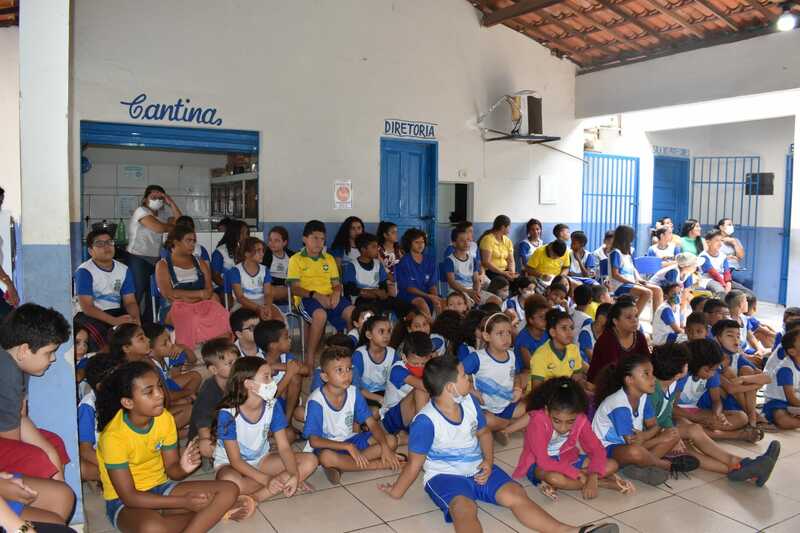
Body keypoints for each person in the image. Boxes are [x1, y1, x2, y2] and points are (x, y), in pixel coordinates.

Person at [377, 356, 618, 533]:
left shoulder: (469, 402)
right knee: (464, 508)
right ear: (450, 388)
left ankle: (573, 531)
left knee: (517, 494)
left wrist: (489, 462)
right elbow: (414, 465)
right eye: (464, 376)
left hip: (477, 468)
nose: (469, 379)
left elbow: (484, 433)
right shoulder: (425, 421)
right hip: (444, 476)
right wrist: (396, 491)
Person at [95, 361, 243, 532]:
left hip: (161, 489)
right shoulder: (113, 437)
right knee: (153, 528)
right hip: (125, 503)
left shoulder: (164, 418)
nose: (160, 394)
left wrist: (183, 467)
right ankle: (209, 515)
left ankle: (199, 520)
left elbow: (173, 471)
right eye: (149, 392)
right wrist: (184, 502)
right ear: (128, 402)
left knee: (229, 490)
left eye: (159, 386)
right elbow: (129, 496)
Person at [649, 344, 779, 485]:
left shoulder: (671, 385)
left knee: (689, 444)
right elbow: (652, 423)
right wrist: (670, 435)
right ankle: (742, 465)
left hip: (664, 430)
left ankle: (743, 469)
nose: (688, 364)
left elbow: (665, 415)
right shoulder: (653, 391)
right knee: (690, 439)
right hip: (651, 437)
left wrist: (672, 431)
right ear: (678, 371)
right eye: (686, 363)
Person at [504, 377, 631, 501]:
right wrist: (576, 473)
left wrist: (592, 477)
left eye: (570, 422)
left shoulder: (581, 419)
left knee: (612, 464)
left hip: (568, 458)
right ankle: (604, 483)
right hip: (539, 464)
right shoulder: (538, 421)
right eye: (557, 421)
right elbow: (543, 461)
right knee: (555, 479)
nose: (563, 428)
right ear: (547, 411)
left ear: (578, 414)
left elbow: (596, 449)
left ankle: (587, 481)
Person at [214, 357, 317, 505]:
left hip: (262, 460)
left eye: (271, 377)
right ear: (249, 384)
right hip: (231, 466)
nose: (272, 382)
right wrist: (267, 479)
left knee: (310, 461)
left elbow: (284, 447)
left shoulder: (272, 405)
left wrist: (294, 474)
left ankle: (257, 497)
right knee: (231, 483)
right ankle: (279, 482)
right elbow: (235, 460)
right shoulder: (228, 414)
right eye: (266, 377)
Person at [592, 353, 699, 486]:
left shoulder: (644, 396)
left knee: (674, 433)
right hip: (606, 449)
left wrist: (646, 436)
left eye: (652, 373)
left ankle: (638, 466)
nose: (653, 378)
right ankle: (666, 465)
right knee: (635, 452)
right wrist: (657, 438)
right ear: (630, 380)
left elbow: (655, 425)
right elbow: (633, 445)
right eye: (646, 374)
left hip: (632, 445)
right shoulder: (619, 406)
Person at [302, 346, 401, 484]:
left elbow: (372, 423)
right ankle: (378, 464)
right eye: (339, 370)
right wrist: (348, 447)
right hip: (328, 446)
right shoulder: (317, 401)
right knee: (326, 457)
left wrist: (384, 447)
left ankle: (343, 466)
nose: (346, 374)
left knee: (391, 441)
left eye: (349, 369)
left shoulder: (354, 392)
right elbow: (314, 441)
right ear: (325, 377)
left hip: (350, 439)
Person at [0, 305, 72, 481]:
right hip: (6, 436)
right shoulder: (7, 372)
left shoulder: (19, 366)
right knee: (35, 458)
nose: (53, 358)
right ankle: (53, 495)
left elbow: (21, 416)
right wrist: (46, 452)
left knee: (54, 443)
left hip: (7, 433)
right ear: (24, 351)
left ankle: (56, 492)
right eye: (49, 352)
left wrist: (49, 450)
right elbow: (12, 442)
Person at [287, 220, 354, 365]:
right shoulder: (296, 259)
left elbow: (336, 284)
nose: (319, 243)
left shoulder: (329, 259)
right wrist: (316, 295)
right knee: (320, 315)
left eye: (322, 239)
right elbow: (295, 288)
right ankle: (310, 359)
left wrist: (336, 293)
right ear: (305, 239)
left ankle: (350, 355)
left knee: (352, 312)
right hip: (307, 298)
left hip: (329, 297)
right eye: (315, 238)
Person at [672, 339, 758, 442]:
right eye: (707, 370)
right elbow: (672, 408)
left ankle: (701, 430)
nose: (711, 374)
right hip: (678, 414)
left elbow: (716, 400)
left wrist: (717, 415)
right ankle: (736, 435)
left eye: (714, 370)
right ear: (695, 364)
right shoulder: (683, 376)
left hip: (695, 412)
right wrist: (696, 418)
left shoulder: (712, 374)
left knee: (742, 417)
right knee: (685, 425)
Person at [462, 313, 526, 440]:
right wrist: (470, 389)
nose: (506, 338)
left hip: (507, 404)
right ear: (487, 336)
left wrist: (517, 388)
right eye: (500, 333)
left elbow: (516, 375)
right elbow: (456, 374)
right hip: (485, 408)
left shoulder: (512, 355)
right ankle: (507, 426)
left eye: (508, 332)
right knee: (485, 420)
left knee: (529, 408)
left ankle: (501, 428)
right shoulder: (477, 358)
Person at [74, 229, 140, 351]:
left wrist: (136, 320)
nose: (107, 247)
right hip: (88, 315)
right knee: (100, 336)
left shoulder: (124, 270)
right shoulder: (84, 271)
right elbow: (87, 307)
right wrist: (114, 321)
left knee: (137, 333)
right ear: (90, 251)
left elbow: (130, 302)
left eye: (110, 242)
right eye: (100, 244)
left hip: (115, 312)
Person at [126, 185, 182, 321]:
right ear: (145, 199)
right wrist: (171, 226)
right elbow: (158, 228)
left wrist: (171, 203)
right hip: (138, 257)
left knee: (154, 296)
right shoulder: (141, 211)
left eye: (160, 197)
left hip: (155, 260)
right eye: (153, 197)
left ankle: (149, 325)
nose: (157, 200)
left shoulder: (162, 214)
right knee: (136, 295)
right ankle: (128, 326)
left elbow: (181, 222)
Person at [342, 233, 413, 318]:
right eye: (373, 247)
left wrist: (379, 293)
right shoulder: (352, 266)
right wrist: (375, 292)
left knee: (408, 307)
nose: (377, 249)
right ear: (363, 250)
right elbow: (351, 290)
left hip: (379, 298)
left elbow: (383, 288)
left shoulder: (378, 264)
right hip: (360, 301)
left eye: (377, 246)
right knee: (374, 310)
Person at [189, 339, 240, 458]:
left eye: (238, 361)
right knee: (206, 446)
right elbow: (204, 429)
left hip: (230, 429)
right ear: (214, 370)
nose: (237, 366)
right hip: (211, 433)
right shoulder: (208, 392)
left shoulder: (240, 381)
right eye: (230, 363)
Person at [154, 225, 215, 323]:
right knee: (193, 318)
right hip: (173, 307)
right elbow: (169, 294)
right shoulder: (162, 265)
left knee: (215, 300)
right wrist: (200, 294)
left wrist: (183, 296)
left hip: (199, 305)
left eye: (194, 241)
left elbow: (209, 290)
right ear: (175, 242)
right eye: (188, 240)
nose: (192, 244)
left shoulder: (199, 261)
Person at [253, 320, 307, 426]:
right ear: (273, 345)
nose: (290, 340)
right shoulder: (257, 363)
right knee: (292, 376)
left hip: (287, 403)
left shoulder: (286, 356)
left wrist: (275, 366)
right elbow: (270, 397)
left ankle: (287, 422)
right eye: (286, 337)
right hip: (267, 406)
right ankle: (282, 426)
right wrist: (289, 373)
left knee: (296, 378)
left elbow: (307, 370)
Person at [78, 353, 122, 482]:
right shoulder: (88, 406)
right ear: (100, 386)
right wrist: (114, 466)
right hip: (100, 457)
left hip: (121, 451)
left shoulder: (123, 398)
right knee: (85, 470)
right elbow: (85, 451)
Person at [379, 332, 433, 436]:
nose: (420, 367)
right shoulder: (397, 369)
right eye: (415, 364)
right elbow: (425, 386)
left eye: (424, 363)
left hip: (411, 418)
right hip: (391, 419)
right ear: (404, 357)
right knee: (421, 390)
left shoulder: (429, 367)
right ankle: (420, 435)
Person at [586, 299, 650, 384]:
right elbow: (614, 373)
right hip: (603, 384)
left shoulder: (639, 336)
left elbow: (647, 361)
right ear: (615, 321)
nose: (635, 320)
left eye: (636, 316)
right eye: (629, 317)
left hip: (631, 381)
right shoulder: (607, 340)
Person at [142, 323, 202, 410]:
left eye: (169, 339)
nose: (171, 344)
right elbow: (165, 394)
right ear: (150, 352)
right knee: (182, 402)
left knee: (196, 376)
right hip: (161, 392)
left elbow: (193, 361)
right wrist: (188, 392)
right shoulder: (151, 367)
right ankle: (183, 400)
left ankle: (183, 400)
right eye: (165, 344)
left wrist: (184, 348)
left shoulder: (170, 353)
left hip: (168, 385)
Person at [607, 225, 663, 316]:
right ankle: (633, 318)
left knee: (657, 290)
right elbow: (615, 274)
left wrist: (639, 279)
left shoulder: (628, 254)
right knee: (647, 293)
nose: (633, 239)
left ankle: (656, 319)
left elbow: (633, 269)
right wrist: (633, 282)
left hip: (631, 283)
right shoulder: (615, 253)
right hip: (620, 286)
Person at [531, 310, 591, 393]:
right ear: (553, 332)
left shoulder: (573, 349)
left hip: (566, 393)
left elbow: (577, 380)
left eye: (571, 328)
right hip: (546, 396)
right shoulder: (540, 355)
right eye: (564, 328)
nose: (570, 332)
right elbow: (537, 390)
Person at [228, 237, 282, 321]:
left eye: (262, 250)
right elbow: (240, 297)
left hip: (263, 302)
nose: (262, 254)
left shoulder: (265, 270)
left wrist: (267, 306)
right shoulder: (236, 271)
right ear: (247, 254)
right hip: (243, 304)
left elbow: (268, 294)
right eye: (258, 251)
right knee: (248, 321)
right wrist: (258, 308)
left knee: (278, 320)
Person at [394, 228, 442, 319]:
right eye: (416, 242)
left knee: (441, 302)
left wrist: (435, 297)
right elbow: (409, 288)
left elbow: (432, 285)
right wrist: (429, 296)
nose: (420, 245)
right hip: (408, 295)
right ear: (409, 243)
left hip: (427, 294)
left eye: (422, 242)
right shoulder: (404, 262)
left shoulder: (430, 260)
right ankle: (430, 324)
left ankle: (441, 325)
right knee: (421, 302)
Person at [352, 315, 398, 410]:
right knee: (375, 412)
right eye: (381, 331)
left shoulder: (393, 354)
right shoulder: (359, 355)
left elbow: (396, 382)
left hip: (386, 394)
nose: (386, 336)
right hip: (364, 395)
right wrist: (379, 399)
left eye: (389, 331)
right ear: (369, 335)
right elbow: (355, 386)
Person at [444, 226, 494, 308]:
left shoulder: (472, 259)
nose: (466, 243)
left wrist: (476, 292)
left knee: (496, 300)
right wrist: (468, 292)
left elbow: (476, 279)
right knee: (467, 303)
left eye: (467, 240)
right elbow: (452, 282)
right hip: (457, 291)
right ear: (454, 243)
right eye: (462, 240)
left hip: (472, 291)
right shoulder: (450, 260)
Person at [763, 329, 800, 429]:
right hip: (777, 402)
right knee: (783, 420)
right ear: (792, 351)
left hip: (794, 403)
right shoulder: (786, 369)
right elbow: (791, 398)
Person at [699, 229, 753, 298]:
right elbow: (714, 274)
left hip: (723, 280)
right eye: (717, 241)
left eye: (721, 240)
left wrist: (728, 283)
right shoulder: (703, 256)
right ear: (708, 242)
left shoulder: (723, 255)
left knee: (749, 294)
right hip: (708, 280)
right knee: (721, 292)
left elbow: (727, 272)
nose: (720, 243)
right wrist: (724, 286)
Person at [211, 219, 248, 296]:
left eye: (247, 233)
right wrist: (232, 287)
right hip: (224, 288)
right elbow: (216, 277)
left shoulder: (247, 251)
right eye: (242, 233)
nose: (246, 236)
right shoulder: (220, 252)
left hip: (243, 287)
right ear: (234, 234)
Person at [514, 295, 550, 375]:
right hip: (525, 372)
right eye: (541, 317)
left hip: (544, 368)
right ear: (531, 320)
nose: (546, 320)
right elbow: (530, 366)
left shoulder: (548, 333)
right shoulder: (523, 339)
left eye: (547, 316)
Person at [261, 225, 294, 304]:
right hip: (271, 287)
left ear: (284, 243)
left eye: (276, 241)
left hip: (288, 286)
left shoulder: (292, 256)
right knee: (270, 291)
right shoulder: (264, 256)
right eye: (270, 240)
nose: (272, 243)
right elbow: (262, 278)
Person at [478, 215, 517, 281]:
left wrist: (512, 273)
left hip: (505, 271)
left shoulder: (507, 241)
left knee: (523, 282)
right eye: (509, 227)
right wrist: (503, 273)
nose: (509, 230)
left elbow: (511, 260)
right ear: (503, 227)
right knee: (504, 283)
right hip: (492, 272)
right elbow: (486, 262)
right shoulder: (488, 240)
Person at [376, 221, 402, 291]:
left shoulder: (398, 249)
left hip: (400, 279)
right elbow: (384, 270)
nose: (396, 235)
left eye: (396, 232)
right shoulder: (379, 250)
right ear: (385, 235)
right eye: (393, 233)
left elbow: (404, 265)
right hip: (388, 281)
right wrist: (396, 280)